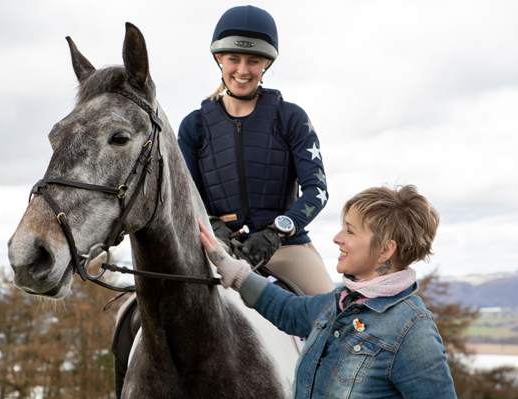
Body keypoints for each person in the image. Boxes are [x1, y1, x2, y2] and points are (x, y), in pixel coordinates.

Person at [198, 185, 457, 399]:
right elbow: (288, 310)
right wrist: (230, 266)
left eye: (350, 231)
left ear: (385, 251)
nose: (337, 237)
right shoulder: (340, 303)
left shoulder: (413, 330)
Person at [178, 5, 334, 296]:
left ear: (266, 64)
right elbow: (186, 193)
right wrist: (214, 227)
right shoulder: (193, 125)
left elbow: (317, 191)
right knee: (139, 312)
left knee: (332, 317)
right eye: (233, 59)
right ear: (218, 59)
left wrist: (276, 233)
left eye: (253, 61)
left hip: (285, 249)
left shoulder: (291, 118)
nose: (242, 70)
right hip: (214, 246)